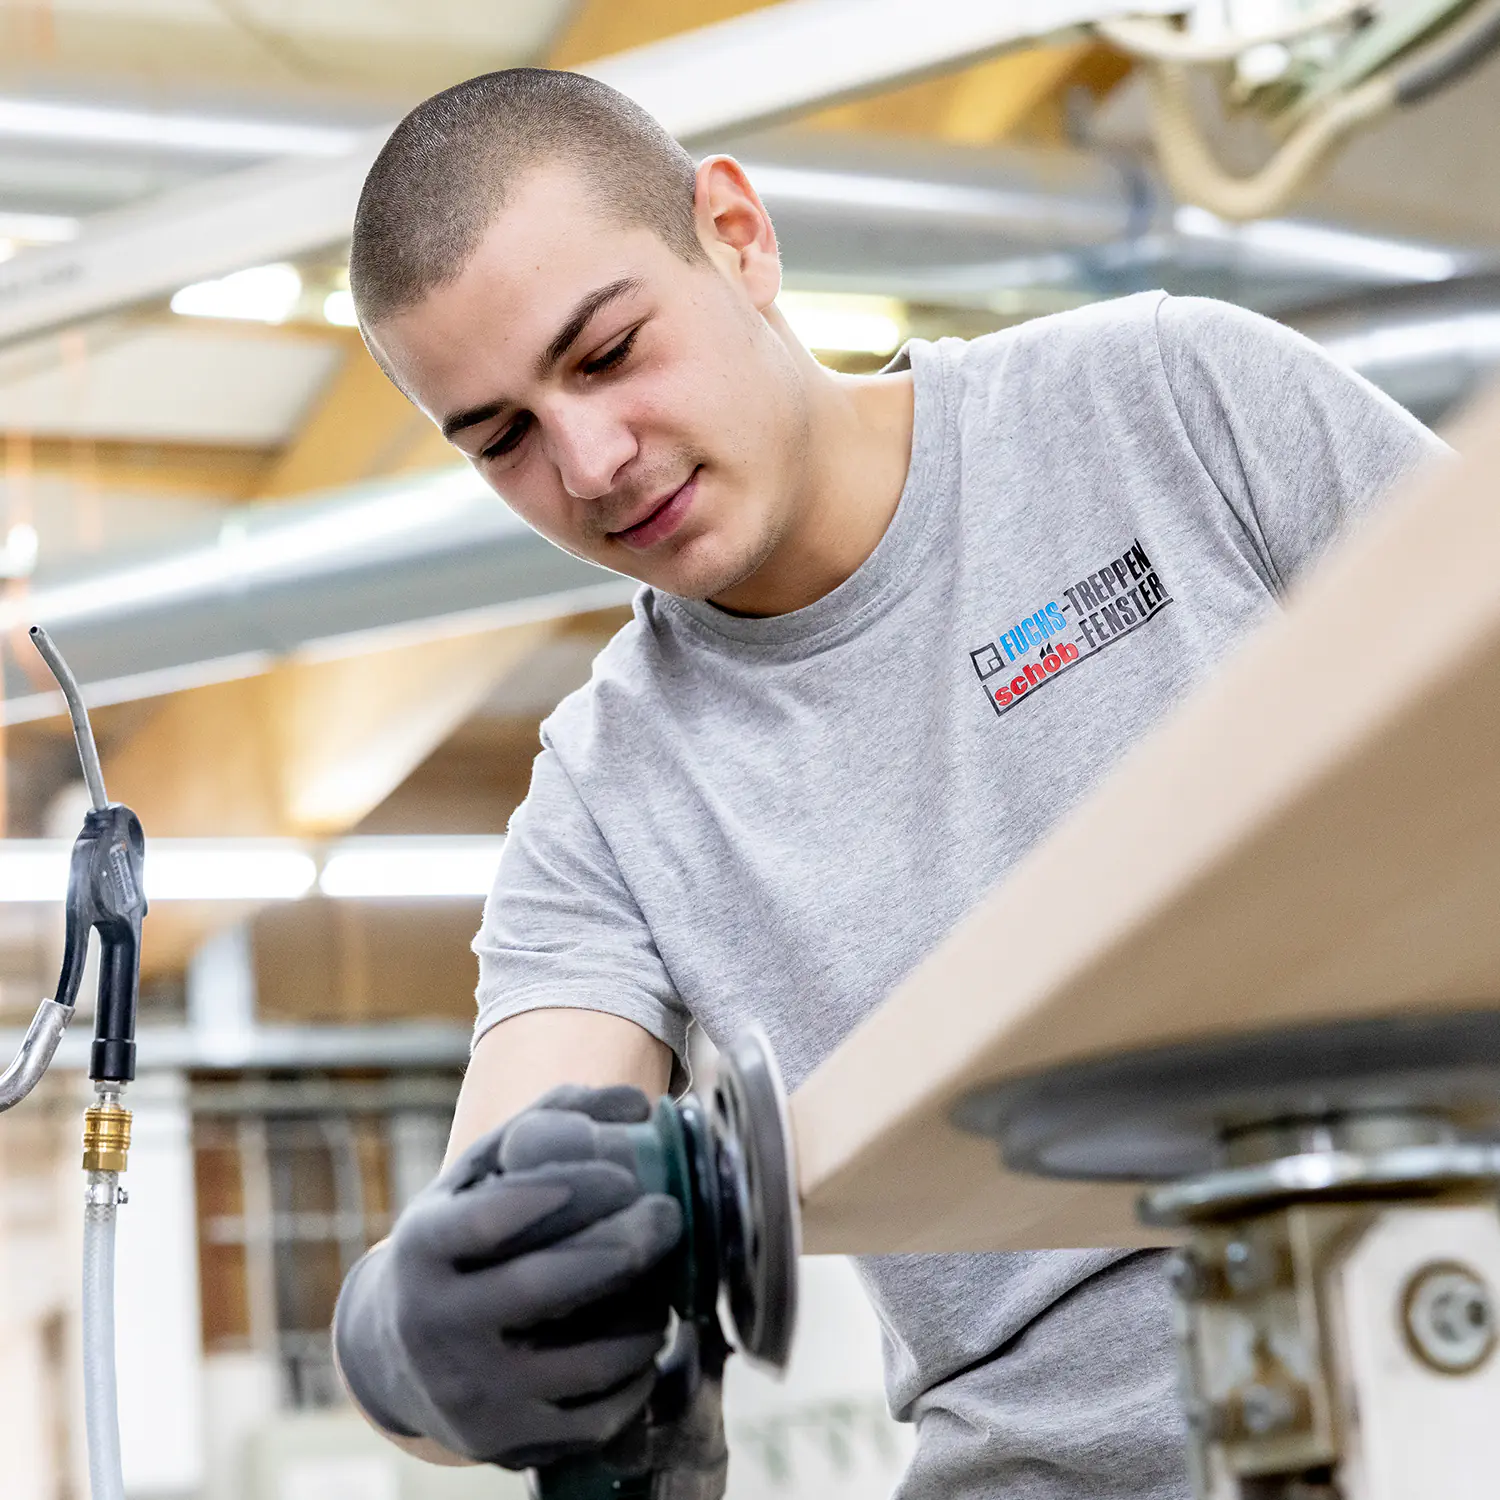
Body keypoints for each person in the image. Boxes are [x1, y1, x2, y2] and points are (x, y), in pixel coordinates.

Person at [330, 66, 1444, 1500]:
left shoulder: (1169, 403)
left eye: (606, 353)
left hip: (1442, 1360)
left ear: (736, 234)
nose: (591, 462)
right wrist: (402, 1341)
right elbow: (505, 1205)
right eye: (502, 440)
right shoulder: (611, 796)